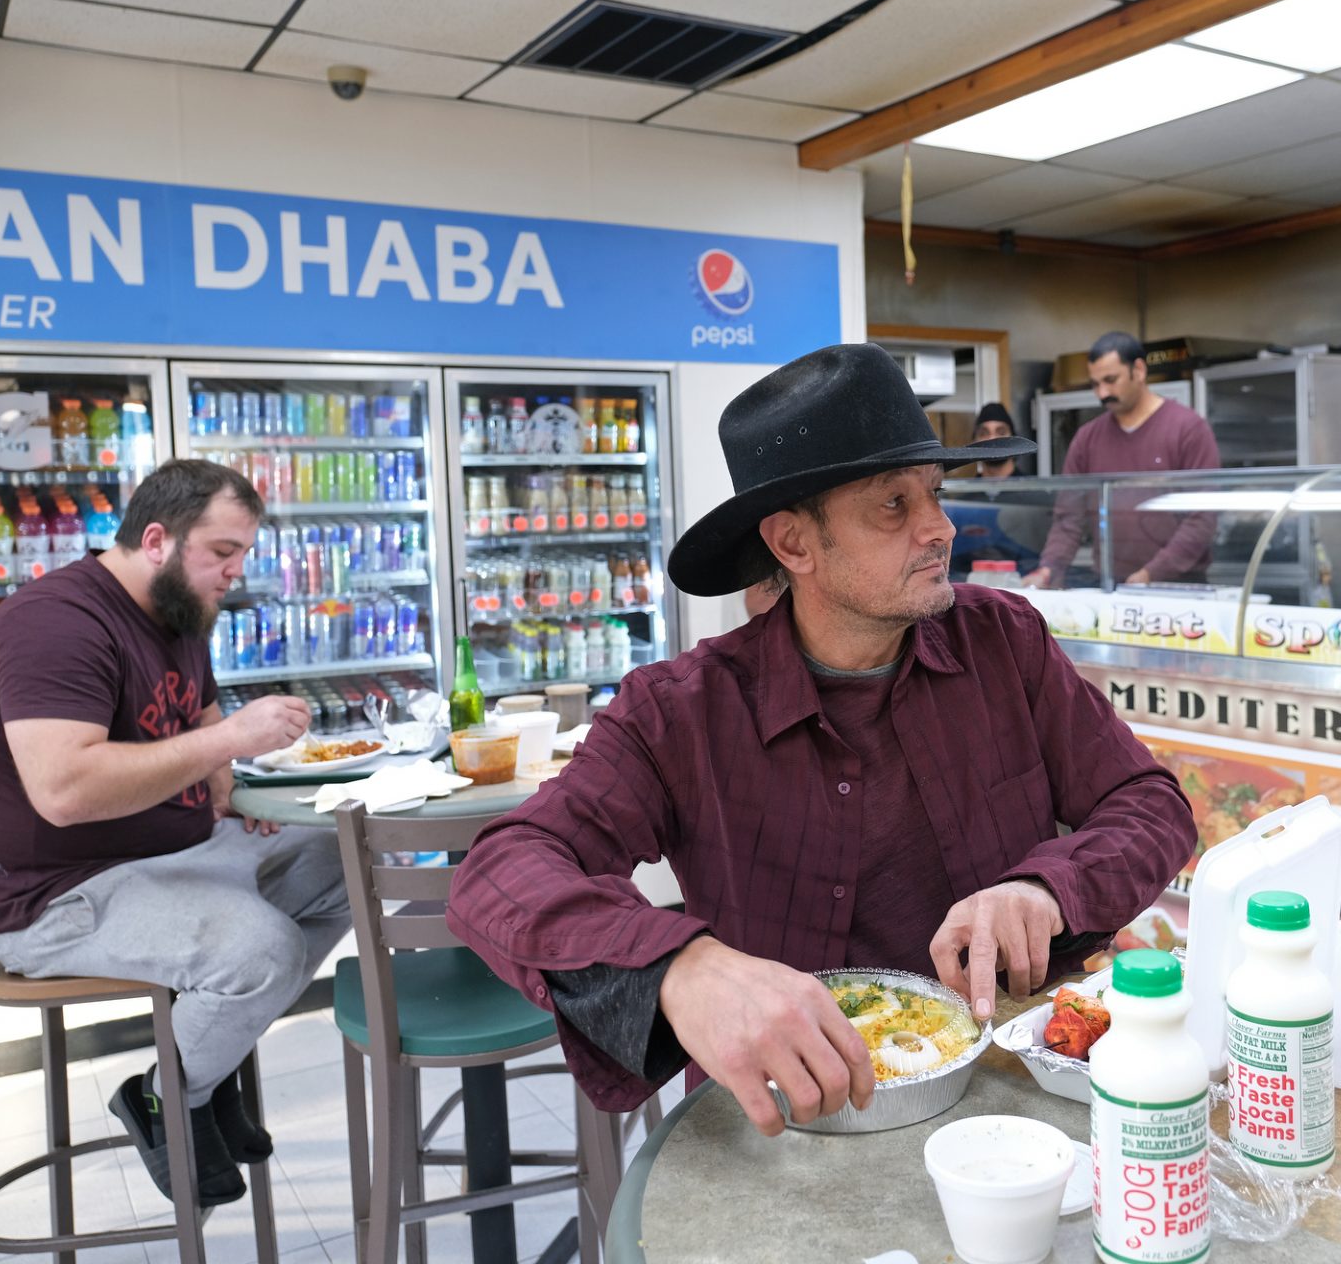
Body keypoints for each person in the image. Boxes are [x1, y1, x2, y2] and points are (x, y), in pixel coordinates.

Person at [448, 343, 1196, 1137]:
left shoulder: (1002, 643)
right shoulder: (681, 712)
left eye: (935, 495)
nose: (939, 528)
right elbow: (500, 873)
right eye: (892, 505)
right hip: (789, 1123)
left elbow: (1150, 804)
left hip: (1008, 1093)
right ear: (794, 545)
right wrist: (678, 966)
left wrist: (1046, 886)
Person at [0, 459, 345, 1207]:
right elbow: (64, 791)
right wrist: (229, 740)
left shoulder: (175, 608)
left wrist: (231, 786)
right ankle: (164, 1093)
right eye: (223, 552)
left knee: (341, 862)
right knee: (262, 950)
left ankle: (203, 1068)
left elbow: (192, 715)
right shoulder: (56, 623)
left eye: (244, 555)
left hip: (172, 854)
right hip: (56, 895)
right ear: (158, 539)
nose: (236, 572)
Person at [1025, 331, 1220, 588]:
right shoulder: (1087, 438)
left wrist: (1151, 574)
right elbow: (1068, 518)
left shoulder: (1188, 428)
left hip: (1180, 586)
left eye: (1111, 380)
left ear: (1138, 370)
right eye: (1095, 384)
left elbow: (1202, 518)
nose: (1103, 393)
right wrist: (1049, 569)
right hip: (1109, 584)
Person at [970, 402, 1019, 479]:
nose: (992, 439)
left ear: (1014, 440)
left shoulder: (1033, 488)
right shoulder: (969, 489)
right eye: (983, 433)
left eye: (1001, 432)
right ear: (974, 441)